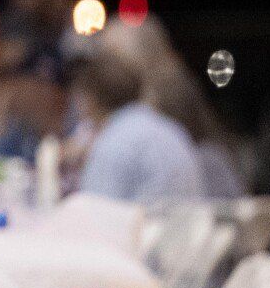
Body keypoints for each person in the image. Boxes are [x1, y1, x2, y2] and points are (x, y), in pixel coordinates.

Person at [71, 49, 205, 205]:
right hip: (185, 225)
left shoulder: (113, 141)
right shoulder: (170, 128)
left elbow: (95, 216)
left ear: (90, 98)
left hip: (149, 226)